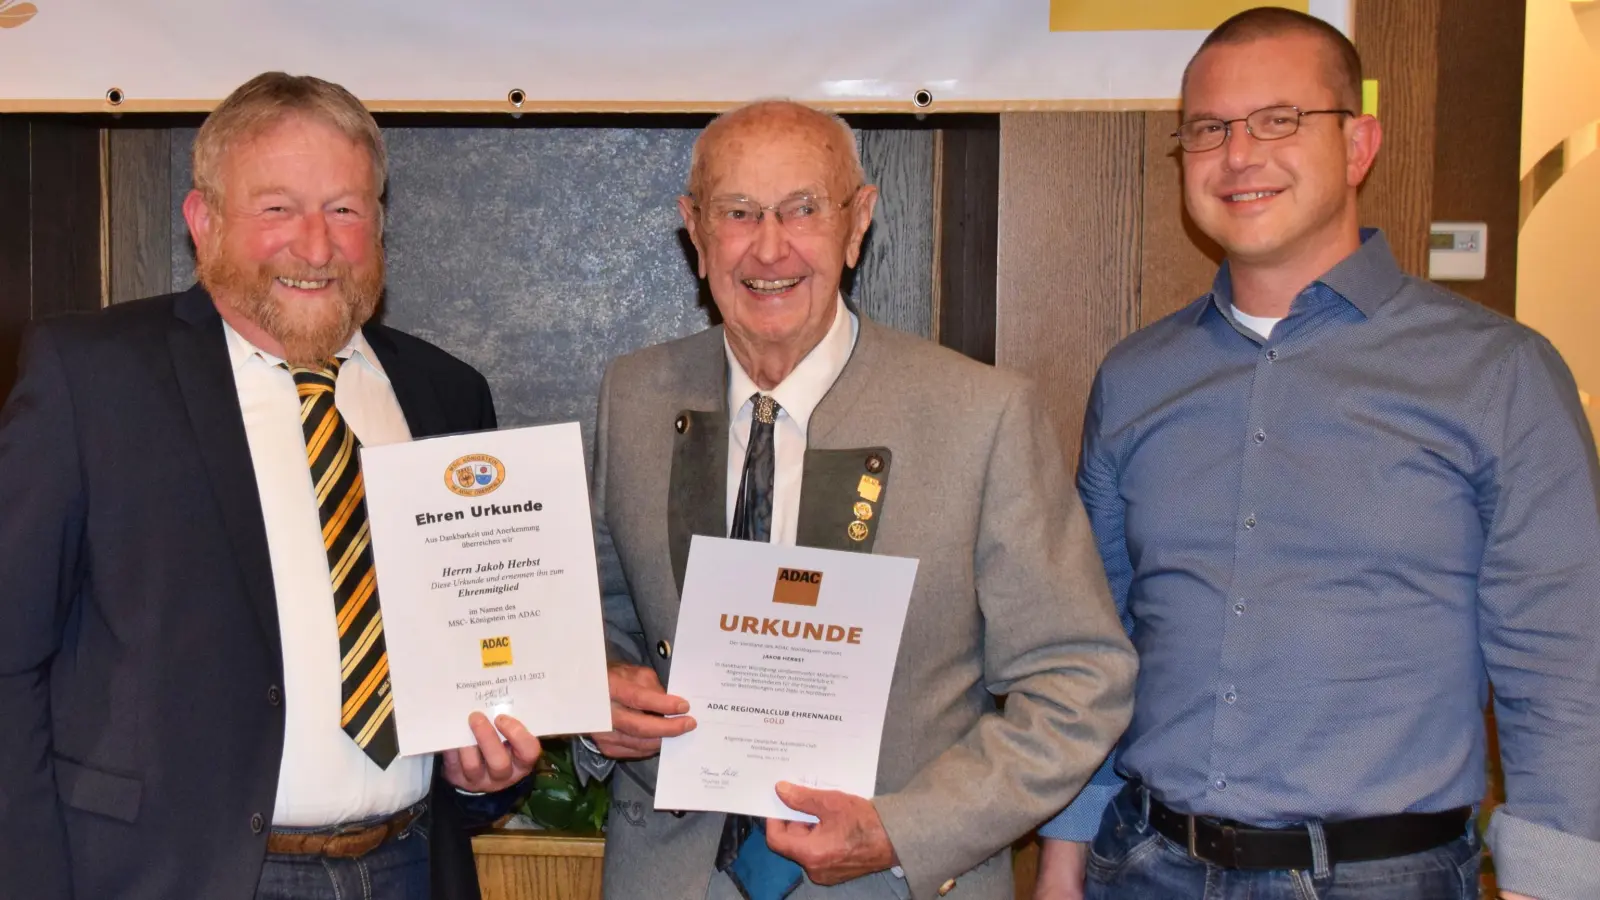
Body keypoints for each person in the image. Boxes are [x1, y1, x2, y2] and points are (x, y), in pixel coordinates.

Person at [1033, 8, 1600, 900]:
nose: (1240, 154)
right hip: (1143, 866)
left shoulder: (1500, 375)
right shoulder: (1136, 379)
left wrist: (1552, 883)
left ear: (1360, 144)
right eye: (1210, 129)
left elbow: (1564, 663)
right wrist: (1063, 856)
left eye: (1280, 120)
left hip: (1382, 878)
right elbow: (1097, 640)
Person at [576, 99, 1136, 900]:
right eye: (738, 212)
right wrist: (595, 688)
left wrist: (905, 831)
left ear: (858, 220)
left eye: (804, 208)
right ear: (694, 232)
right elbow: (601, 618)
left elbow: (1081, 680)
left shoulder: (981, 416)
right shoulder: (632, 398)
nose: (770, 248)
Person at [0, 72, 541, 900]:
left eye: (345, 210)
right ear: (202, 220)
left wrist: (479, 772)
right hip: (174, 878)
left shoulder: (446, 395)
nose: (316, 246)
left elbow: (475, 657)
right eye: (277, 208)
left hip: (407, 867)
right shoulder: (91, 378)